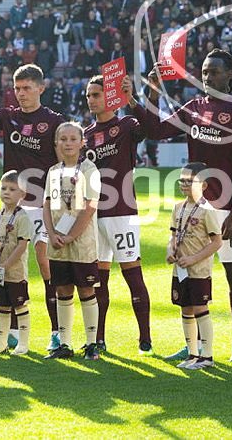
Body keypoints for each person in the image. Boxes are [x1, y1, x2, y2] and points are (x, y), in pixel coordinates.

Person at [130, 49, 232, 363]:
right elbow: (155, 131)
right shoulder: (194, 108)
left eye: (214, 71)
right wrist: (151, 92)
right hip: (195, 209)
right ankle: (193, 345)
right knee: (189, 274)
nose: (207, 77)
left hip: (226, 209)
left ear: (230, 75)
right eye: (203, 71)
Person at [0, 62, 65, 350]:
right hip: (13, 206)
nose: (21, 94)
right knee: (9, 264)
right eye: (17, 88)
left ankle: (57, 331)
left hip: (43, 205)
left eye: (27, 88)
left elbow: (62, 161)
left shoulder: (54, 121)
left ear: (41, 88)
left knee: (45, 264)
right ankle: (15, 334)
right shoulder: (9, 117)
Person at [84, 75, 152, 353]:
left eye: (96, 94)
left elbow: (149, 127)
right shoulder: (85, 134)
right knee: (99, 278)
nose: (91, 100)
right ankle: (99, 338)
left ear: (108, 96)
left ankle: (145, 338)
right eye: (88, 95)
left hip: (121, 212)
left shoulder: (125, 125)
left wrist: (132, 100)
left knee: (131, 275)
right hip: (93, 215)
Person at [42, 122, 103, 361]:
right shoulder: (53, 171)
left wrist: (70, 236)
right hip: (57, 242)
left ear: (82, 142)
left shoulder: (90, 171)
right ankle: (64, 344)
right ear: (56, 142)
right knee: (62, 290)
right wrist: (51, 233)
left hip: (81, 244)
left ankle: (90, 344)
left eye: (72, 139)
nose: (68, 143)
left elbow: (90, 207)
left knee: (86, 290)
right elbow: (47, 205)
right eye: (63, 139)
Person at [168, 161, 224, 370]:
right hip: (180, 270)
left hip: (198, 270)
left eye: (190, 181)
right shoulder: (178, 208)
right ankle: (192, 353)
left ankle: (207, 356)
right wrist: (169, 251)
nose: (184, 184)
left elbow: (217, 242)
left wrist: (193, 259)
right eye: (182, 180)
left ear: (204, 185)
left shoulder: (207, 210)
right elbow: (173, 235)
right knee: (185, 308)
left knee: (200, 308)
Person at [0, 171, 35, 355]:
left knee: (20, 306)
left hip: (15, 272)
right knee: (2, 306)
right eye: (3, 188)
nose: (6, 192)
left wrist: (6, 265)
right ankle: (0, 342)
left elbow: (22, 245)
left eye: (12, 189)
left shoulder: (22, 217)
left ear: (22, 194)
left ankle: (23, 343)